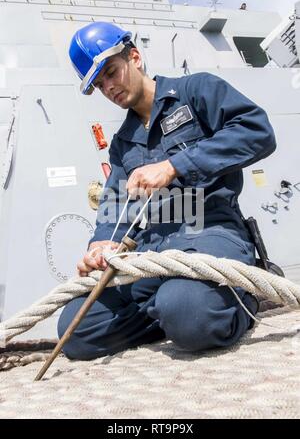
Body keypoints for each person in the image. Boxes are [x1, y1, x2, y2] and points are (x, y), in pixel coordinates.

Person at [57, 22, 276, 360]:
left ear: (135, 56)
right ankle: (175, 314)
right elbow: (116, 204)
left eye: (112, 73)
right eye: (100, 85)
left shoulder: (198, 90)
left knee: (186, 309)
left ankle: (235, 298)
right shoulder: (122, 142)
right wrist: (101, 244)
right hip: (149, 252)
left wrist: (175, 166)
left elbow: (257, 132)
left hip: (210, 231)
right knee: (77, 328)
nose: (109, 87)